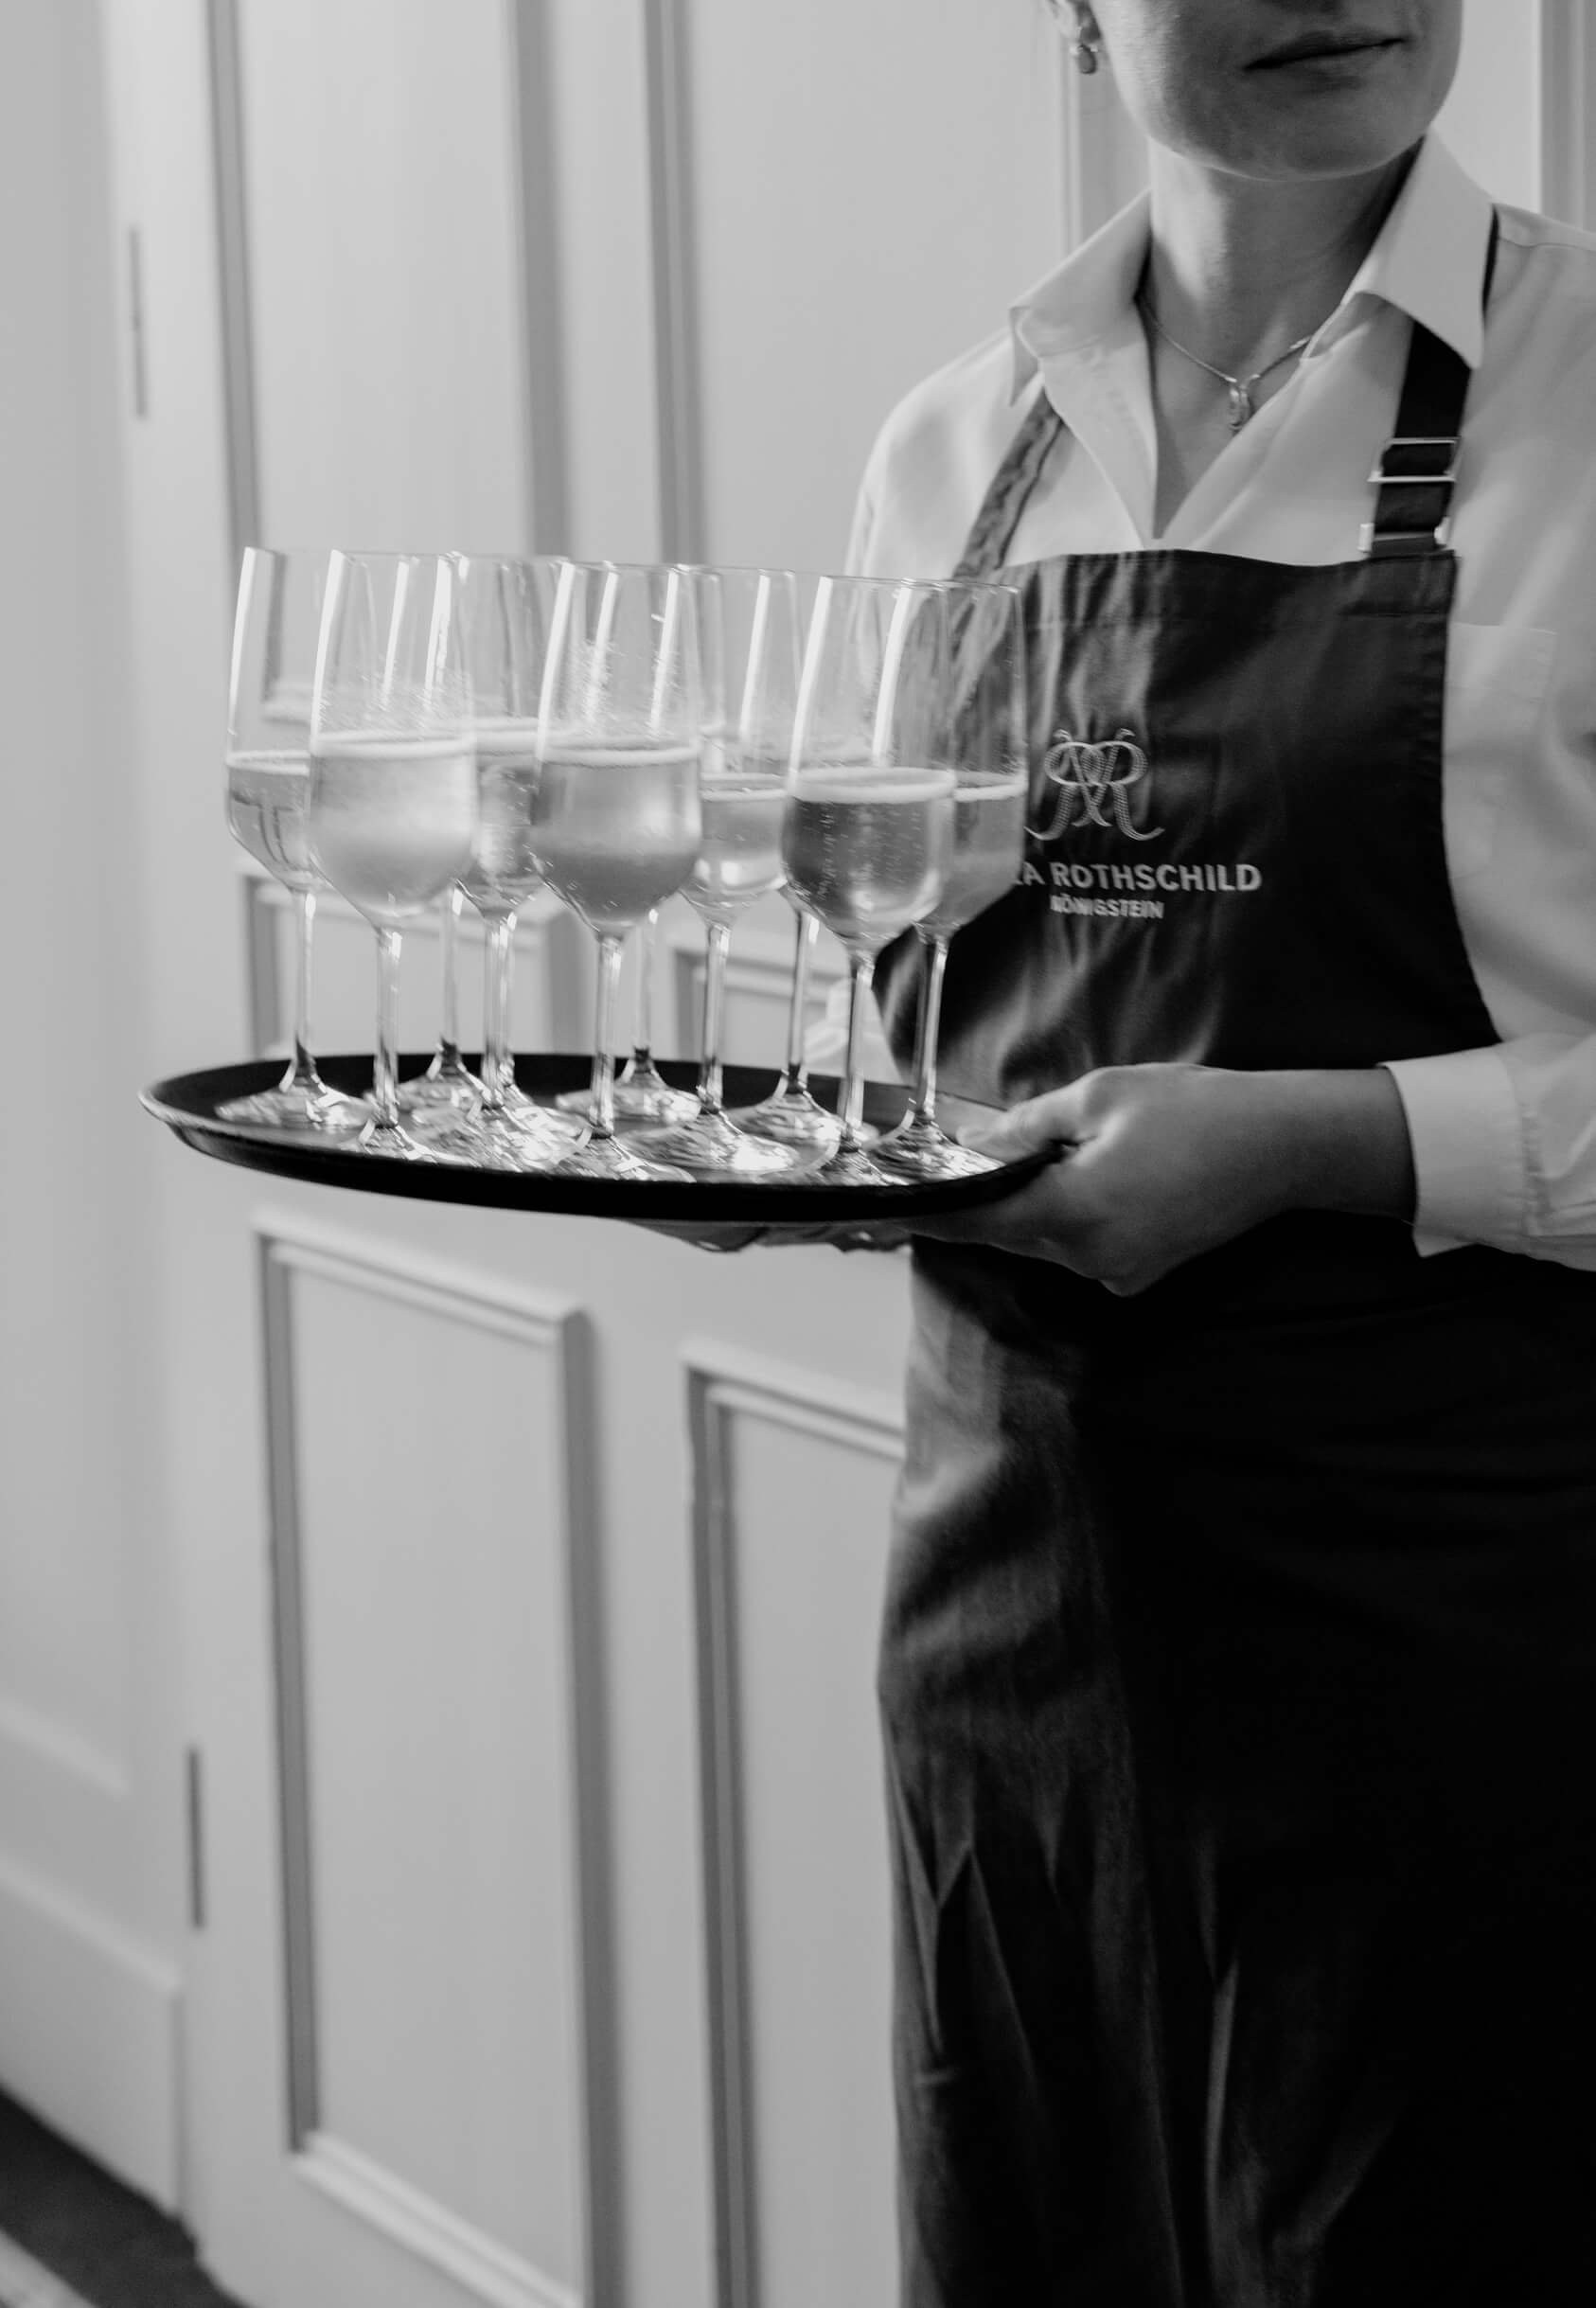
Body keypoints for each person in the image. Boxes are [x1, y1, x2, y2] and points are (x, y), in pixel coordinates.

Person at [842, 2, 1596, 2300]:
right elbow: (882, 980)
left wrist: (1309, 1143)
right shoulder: (955, 446)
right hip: (1013, 1594)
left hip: (1444, 1610)